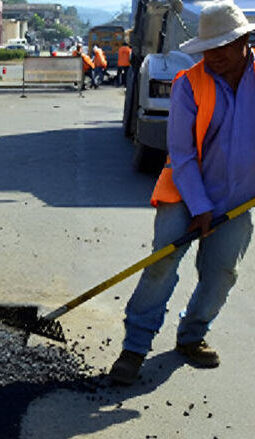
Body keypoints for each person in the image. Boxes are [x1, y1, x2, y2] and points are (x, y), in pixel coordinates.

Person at [109, 1, 255, 385]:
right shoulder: (189, 83)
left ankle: (192, 336)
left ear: (244, 41)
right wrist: (201, 206)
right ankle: (134, 348)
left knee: (222, 272)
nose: (213, 56)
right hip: (185, 192)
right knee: (161, 266)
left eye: (222, 46)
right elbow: (183, 154)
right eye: (208, 47)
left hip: (239, 199)